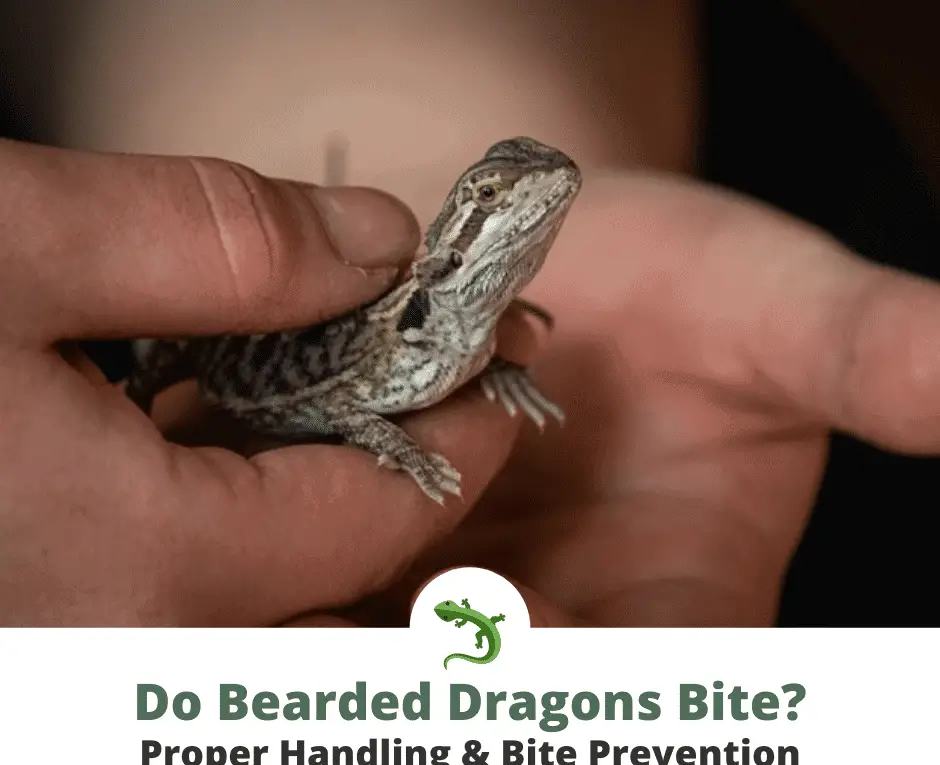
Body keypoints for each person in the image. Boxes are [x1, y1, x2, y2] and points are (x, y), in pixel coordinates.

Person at [3, 136, 939, 626]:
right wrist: (394, 446)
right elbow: (338, 399)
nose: (532, 194)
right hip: (233, 372)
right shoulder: (399, 344)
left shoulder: (470, 333)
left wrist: (503, 379)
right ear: (455, 243)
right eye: (492, 201)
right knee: (170, 351)